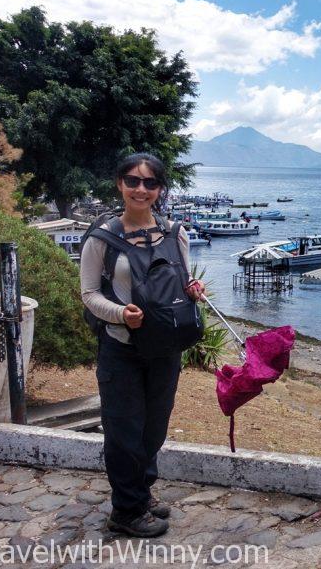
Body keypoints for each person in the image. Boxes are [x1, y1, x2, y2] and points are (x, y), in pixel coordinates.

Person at [79, 153, 205, 537]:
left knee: (154, 427)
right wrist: (120, 314)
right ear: (120, 184)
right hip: (122, 348)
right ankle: (126, 510)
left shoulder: (174, 233)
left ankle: (142, 491)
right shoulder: (102, 238)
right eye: (133, 181)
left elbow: (180, 280)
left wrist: (192, 291)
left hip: (166, 348)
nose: (141, 189)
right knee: (123, 429)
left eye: (150, 183)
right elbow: (87, 294)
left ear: (160, 189)